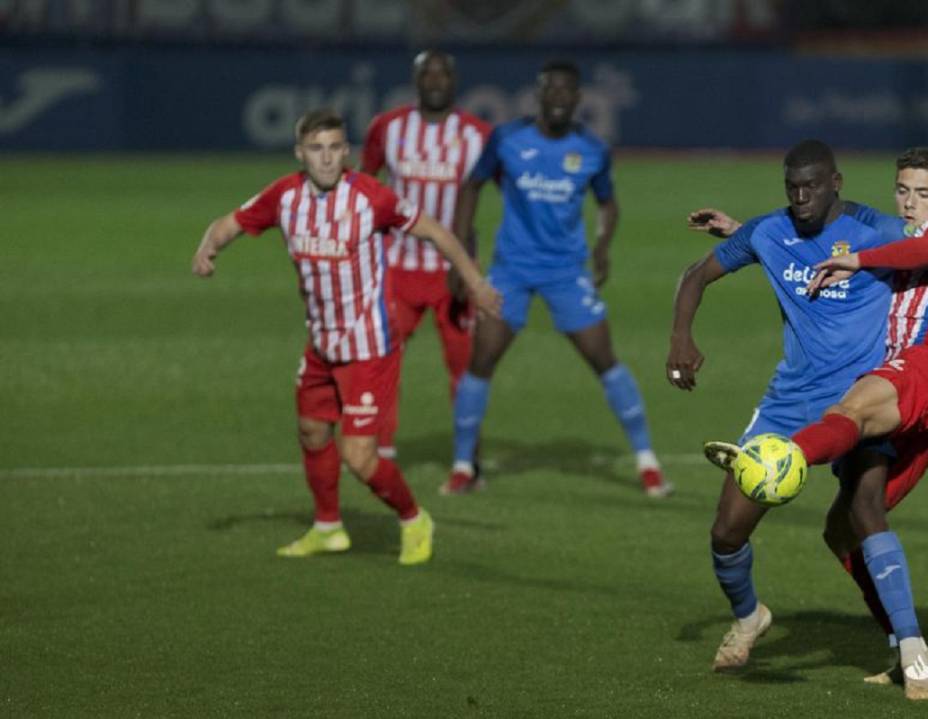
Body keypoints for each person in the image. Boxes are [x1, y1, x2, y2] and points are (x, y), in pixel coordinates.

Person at [684, 147, 928, 701]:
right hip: (793, 400)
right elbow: (711, 268)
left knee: (865, 507)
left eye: (922, 194)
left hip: (869, 391)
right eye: (904, 191)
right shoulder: (777, 231)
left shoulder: (893, 229)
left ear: (836, 183)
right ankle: (750, 617)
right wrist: (746, 236)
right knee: (732, 530)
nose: (910, 203)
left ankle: (913, 646)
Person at [191, 108, 501, 564]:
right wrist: (207, 249)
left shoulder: (371, 198)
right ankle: (328, 527)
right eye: (316, 149)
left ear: (346, 151)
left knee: (359, 457)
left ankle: (414, 518)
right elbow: (232, 222)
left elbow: (435, 231)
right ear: (300, 153)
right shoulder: (284, 196)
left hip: (368, 347)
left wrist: (474, 281)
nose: (327, 158)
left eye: (335, 148)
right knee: (313, 432)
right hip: (321, 344)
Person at [445, 60, 670, 497]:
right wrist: (463, 258)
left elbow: (608, 204)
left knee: (604, 359)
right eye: (552, 90)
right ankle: (461, 465)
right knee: (482, 359)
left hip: (566, 272)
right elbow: (470, 188)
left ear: (577, 99)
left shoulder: (592, 150)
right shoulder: (508, 139)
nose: (560, 99)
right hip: (511, 269)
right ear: (540, 94)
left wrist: (603, 247)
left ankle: (648, 462)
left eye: (568, 92)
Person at [362, 50, 492, 464]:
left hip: (451, 274)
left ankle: (466, 459)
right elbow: (365, 188)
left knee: (464, 367)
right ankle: (380, 450)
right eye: (427, 73)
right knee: (383, 359)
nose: (435, 81)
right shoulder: (387, 127)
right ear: (415, 80)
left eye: (443, 74)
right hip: (396, 267)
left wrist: (468, 264)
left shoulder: (479, 135)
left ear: (455, 80)